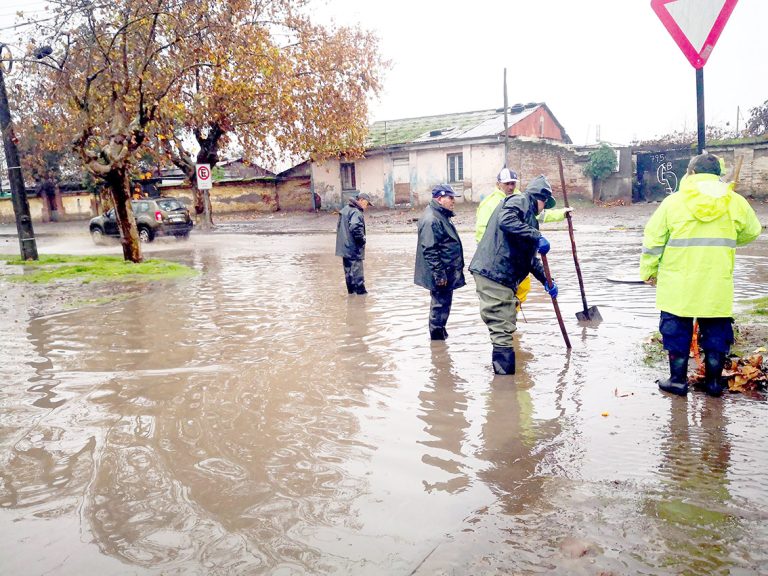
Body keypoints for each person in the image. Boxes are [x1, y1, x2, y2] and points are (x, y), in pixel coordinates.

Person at [640, 152, 761, 397]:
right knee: (716, 331)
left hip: (678, 282)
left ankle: (677, 381)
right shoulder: (734, 201)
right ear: (718, 174)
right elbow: (752, 232)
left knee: (676, 330)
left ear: (691, 173)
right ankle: (714, 384)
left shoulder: (673, 202)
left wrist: (649, 271)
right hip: (716, 281)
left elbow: (653, 241)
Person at [469, 175, 560, 375]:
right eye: (545, 203)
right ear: (540, 198)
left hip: (503, 276)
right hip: (494, 273)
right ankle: (504, 389)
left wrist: (547, 280)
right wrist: (537, 236)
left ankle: (505, 382)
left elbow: (529, 260)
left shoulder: (529, 220)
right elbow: (505, 219)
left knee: (507, 323)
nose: (544, 208)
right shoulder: (520, 200)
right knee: (502, 328)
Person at [475, 167, 572, 308]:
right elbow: (484, 231)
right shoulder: (492, 202)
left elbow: (542, 215)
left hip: (514, 259)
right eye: (507, 183)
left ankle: (512, 319)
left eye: (513, 183)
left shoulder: (524, 201)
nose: (510, 187)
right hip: (496, 262)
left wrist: (562, 214)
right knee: (500, 308)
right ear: (498, 184)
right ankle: (508, 320)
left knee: (520, 291)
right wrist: (490, 254)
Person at [414, 184, 466, 340]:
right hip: (441, 273)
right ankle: (437, 339)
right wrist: (439, 275)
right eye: (450, 198)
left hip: (446, 270)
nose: (453, 201)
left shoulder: (440, 215)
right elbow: (430, 249)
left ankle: (440, 334)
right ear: (439, 198)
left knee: (443, 305)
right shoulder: (432, 219)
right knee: (439, 306)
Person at [335, 192, 373, 295]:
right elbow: (355, 227)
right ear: (361, 200)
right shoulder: (356, 212)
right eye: (366, 203)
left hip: (345, 249)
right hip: (353, 249)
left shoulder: (346, 209)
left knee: (349, 274)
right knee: (357, 276)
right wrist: (362, 240)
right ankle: (361, 298)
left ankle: (351, 296)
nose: (367, 206)